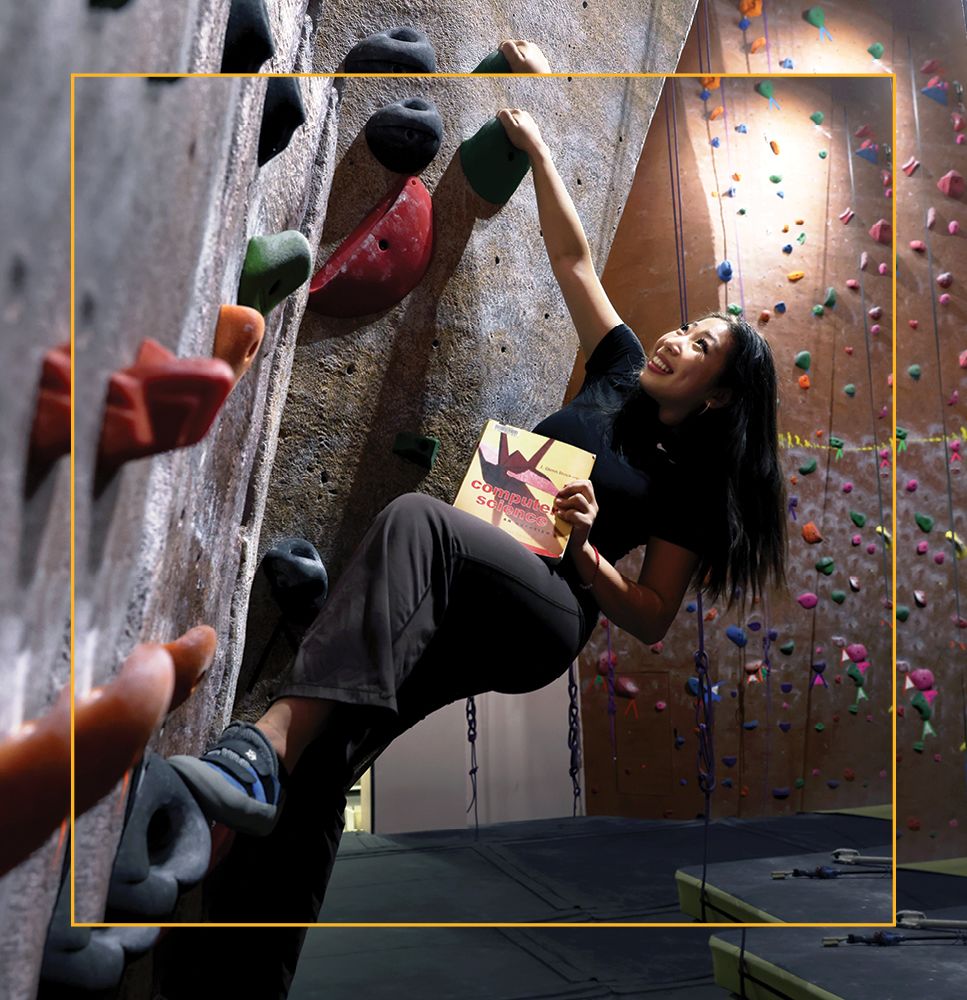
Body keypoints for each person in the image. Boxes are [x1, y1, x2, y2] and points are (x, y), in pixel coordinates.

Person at [169, 107, 787, 867]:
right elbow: (574, 262)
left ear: (718, 395)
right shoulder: (620, 370)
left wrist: (588, 550)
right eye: (686, 326)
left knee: (416, 521)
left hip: (544, 611)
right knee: (338, 749)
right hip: (468, 572)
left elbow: (652, 617)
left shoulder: (690, 481)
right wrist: (537, 145)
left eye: (700, 347)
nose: (675, 339)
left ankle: (260, 746)